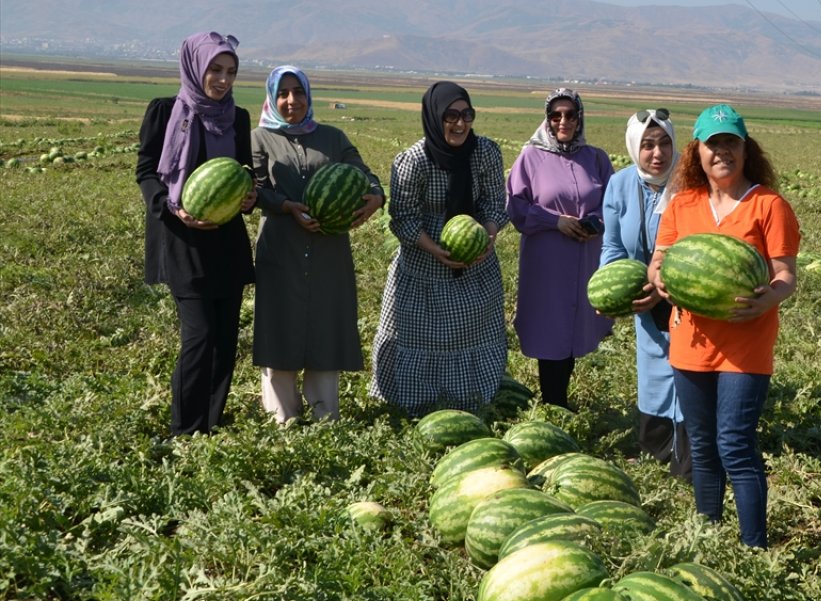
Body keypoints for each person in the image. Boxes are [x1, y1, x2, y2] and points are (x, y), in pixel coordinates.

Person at [648, 104, 801, 548]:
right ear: (697, 152)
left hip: (746, 344)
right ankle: (708, 538)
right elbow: (659, 262)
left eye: (730, 143)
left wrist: (767, 299)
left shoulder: (769, 206)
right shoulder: (682, 205)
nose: (722, 153)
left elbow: (786, 274)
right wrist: (661, 282)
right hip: (690, 344)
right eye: (713, 145)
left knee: (734, 442)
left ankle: (754, 545)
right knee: (702, 445)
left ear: (744, 148)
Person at [136, 32, 256, 437]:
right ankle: (183, 429)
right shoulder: (166, 110)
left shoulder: (237, 117)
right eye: (215, 70)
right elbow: (147, 171)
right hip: (184, 240)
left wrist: (248, 196)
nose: (223, 80)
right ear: (194, 66)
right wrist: (173, 209)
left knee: (225, 341)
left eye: (230, 72)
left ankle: (211, 423)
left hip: (227, 242)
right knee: (200, 337)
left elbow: (243, 172)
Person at [250, 65, 384, 423]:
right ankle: (282, 421)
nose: (291, 100)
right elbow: (254, 189)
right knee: (279, 331)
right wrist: (285, 206)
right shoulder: (259, 139)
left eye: (298, 92)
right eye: (283, 93)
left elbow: (365, 174)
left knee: (325, 328)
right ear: (272, 98)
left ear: (309, 96)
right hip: (280, 248)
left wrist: (376, 196)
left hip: (328, 250)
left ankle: (327, 420)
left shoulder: (333, 137)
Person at [370, 81, 508, 413]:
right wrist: (435, 250)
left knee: (472, 336)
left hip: (476, 265)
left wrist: (487, 236)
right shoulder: (413, 161)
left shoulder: (486, 152)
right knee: (418, 339)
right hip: (423, 267)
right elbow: (402, 219)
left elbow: (494, 204)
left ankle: (471, 403)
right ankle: (414, 407)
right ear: (434, 117)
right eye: (451, 115)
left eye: (467, 114)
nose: (460, 123)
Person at [507, 88, 614, 410]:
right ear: (547, 119)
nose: (563, 121)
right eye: (556, 115)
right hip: (547, 262)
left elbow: (612, 203)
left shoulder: (595, 158)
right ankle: (554, 404)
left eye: (570, 114)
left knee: (574, 330)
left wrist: (593, 223)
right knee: (549, 329)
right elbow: (515, 206)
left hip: (584, 258)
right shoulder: (531, 157)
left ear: (580, 117)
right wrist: (555, 221)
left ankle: (560, 401)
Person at [600, 108, 691, 481]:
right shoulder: (620, 185)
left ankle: (687, 460)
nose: (657, 153)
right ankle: (655, 451)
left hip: (685, 294)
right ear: (634, 147)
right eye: (648, 145)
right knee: (653, 372)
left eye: (665, 143)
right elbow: (611, 246)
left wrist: (662, 285)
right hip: (642, 294)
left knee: (687, 373)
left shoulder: (691, 184)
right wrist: (610, 286)